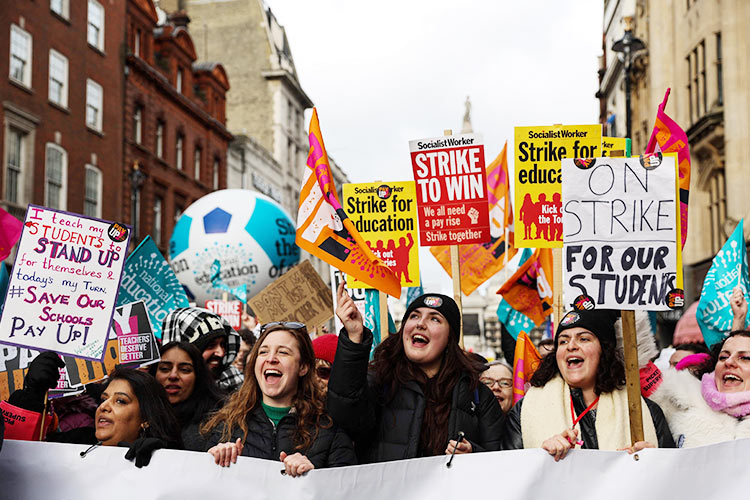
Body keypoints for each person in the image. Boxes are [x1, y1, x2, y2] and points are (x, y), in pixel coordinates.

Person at [327, 284, 504, 463]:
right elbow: (344, 415)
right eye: (414, 316)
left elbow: (499, 461)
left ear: (450, 338)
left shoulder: (477, 396)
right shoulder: (380, 382)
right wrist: (354, 339)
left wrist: (473, 455)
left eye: (434, 319)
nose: (420, 323)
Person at [502, 309, 674, 460]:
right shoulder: (525, 410)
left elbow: (673, 479)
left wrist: (655, 461)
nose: (571, 346)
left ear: (604, 350)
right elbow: (511, 478)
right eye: (563, 341)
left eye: (583, 339)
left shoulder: (644, 410)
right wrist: (541, 457)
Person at [201, 322, 356, 476]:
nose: (271, 359)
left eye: (283, 352)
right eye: (263, 352)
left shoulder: (329, 430)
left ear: (303, 367)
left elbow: (348, 490)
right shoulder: (226, 425)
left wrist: (314, 478)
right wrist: (212, 464)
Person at [637, 293, 750, 447]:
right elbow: (638, 360)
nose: (729, 362)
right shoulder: (681, 399)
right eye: (723, 357)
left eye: (745, 358)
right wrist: (655, 455)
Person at [150, 341, 225, 451]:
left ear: (198, 377)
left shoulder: (217, 422)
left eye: (184, 370)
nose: (173, 375)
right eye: (165, 368)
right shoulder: (139, 415)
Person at [162, 307, 243, 393]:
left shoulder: (236, 387)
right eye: (211, 346)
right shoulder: (155, 393)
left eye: (223, 345)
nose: (221, 353)